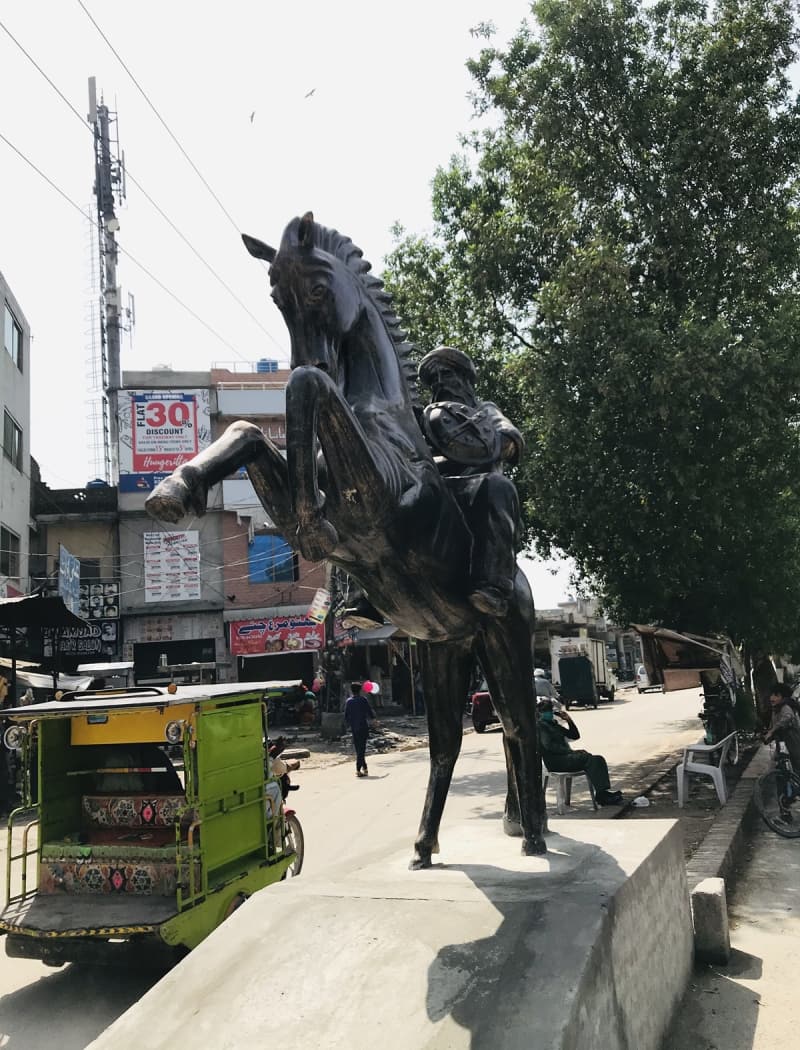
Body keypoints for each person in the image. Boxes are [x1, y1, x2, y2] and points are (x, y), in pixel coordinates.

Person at [418, 346, 523, 618]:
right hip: (433, 488)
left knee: (499, 487)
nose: (439, 383)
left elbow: (510, 439)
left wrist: (493, 446)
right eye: (433, 380)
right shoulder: (423, 418)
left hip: (473, 490)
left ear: (464, 379)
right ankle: (363, 597)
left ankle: (493, 585)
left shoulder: (484, 411)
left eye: (446, 375)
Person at [537, 699, 623, 806]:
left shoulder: (554, 725)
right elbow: (549, 746)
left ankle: (602, 792)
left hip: (565, 758)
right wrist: (571, 752)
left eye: (550, 710)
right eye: (546, 711)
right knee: (588, 758)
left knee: (597, 759)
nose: (549, 713)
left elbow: (575, 735)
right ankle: (602, 796)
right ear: (540, 713)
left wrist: (569, 720)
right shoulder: (541, 726)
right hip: (556, 761)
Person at [764, 682, 800, 773]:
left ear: (783, 697)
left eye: (776, 695)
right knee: (780, 762)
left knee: (796, 764)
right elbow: (773, 724)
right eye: (771, 695)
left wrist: (772, 731)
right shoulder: (775, 709)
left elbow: (787, 717)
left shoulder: (785, 707)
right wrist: (769, 734)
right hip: (783, 741)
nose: (772, 698)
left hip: (793, 740)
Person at [344, 681, 375, 777]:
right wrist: (374, 719)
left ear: (351, 690)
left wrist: (349, 725)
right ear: (360, 690)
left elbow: (346, 716)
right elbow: (369, 712)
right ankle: (358, 769)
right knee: (362, 749)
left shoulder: (349, 701)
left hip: (354, 727)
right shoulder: (363, 700)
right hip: (363, 726)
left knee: (359, 749)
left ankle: (365, 768)